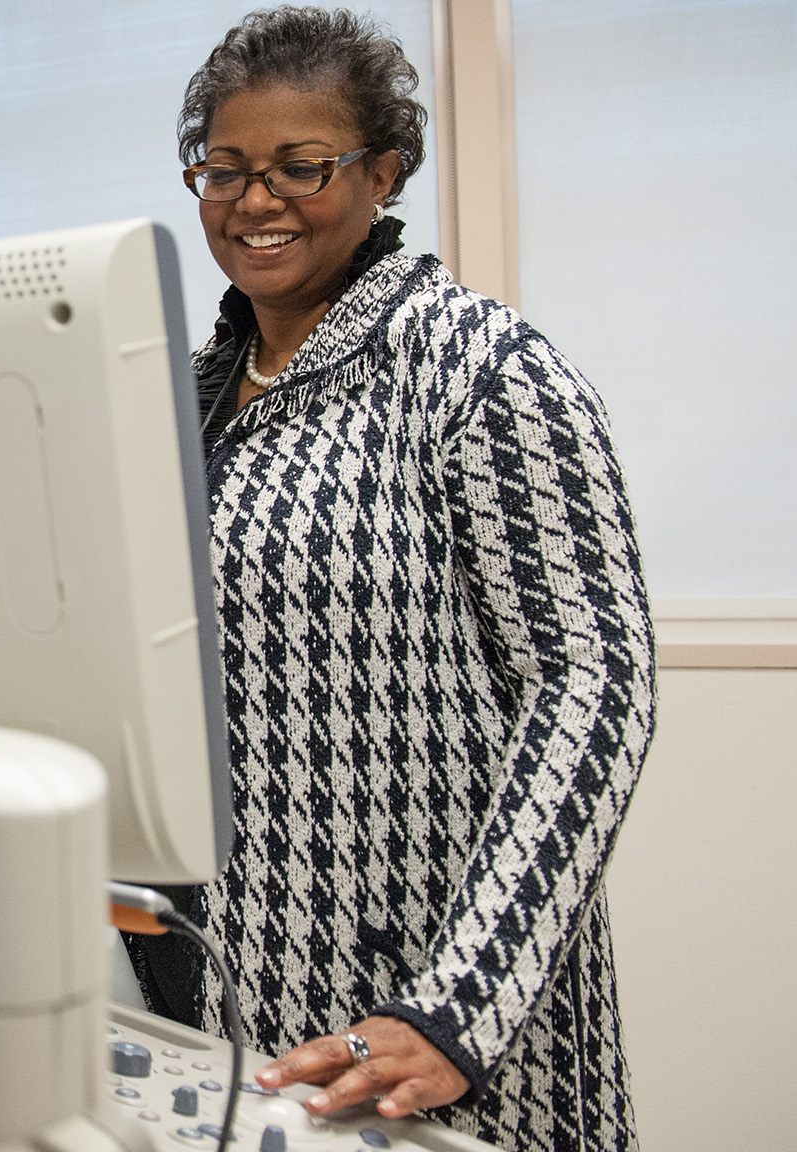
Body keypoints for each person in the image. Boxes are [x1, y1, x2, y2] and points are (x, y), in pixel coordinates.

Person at [128, 8, 653, 1152]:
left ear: (383, 174)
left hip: (418, 992)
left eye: (298, 167)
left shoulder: (477, 368)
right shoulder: (177, 392)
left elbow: (595, 690)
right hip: (213, 969)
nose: (253, 202)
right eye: (222, 169)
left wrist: (456, 1007)